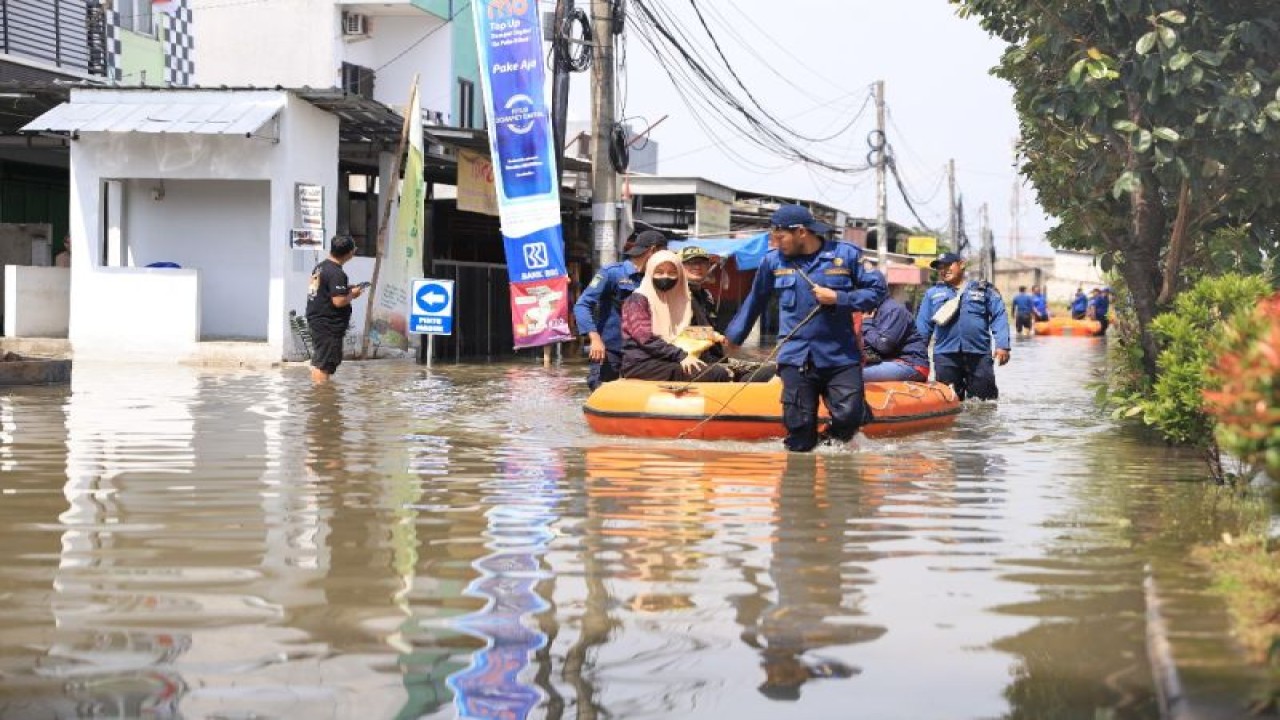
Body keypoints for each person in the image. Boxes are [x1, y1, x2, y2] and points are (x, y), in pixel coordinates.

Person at [724, 204, 887, 451]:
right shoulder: (772, 261)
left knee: (850, 416)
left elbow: (877, 291)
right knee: (798, 427)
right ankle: (799, 479)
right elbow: (755, 299)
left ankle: (830, 451)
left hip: (840, 355)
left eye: (781, 237)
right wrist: (734, 336)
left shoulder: (846, 255)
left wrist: (839, 298)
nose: (777, 243)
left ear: (801, 232)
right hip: (796, 356)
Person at [620, 250, 733, 382]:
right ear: (650, 273)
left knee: (736, 371)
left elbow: (680, 332)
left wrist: (713, 335)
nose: (666, 277)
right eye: (659, 272)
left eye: (672, 273)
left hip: (669, 358)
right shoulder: (637, 300)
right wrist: (681, 356)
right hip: (643, 362)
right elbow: (645, 338)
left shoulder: (678, 299)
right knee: (715, 374)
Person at [573, 230, 666, 390]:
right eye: (663, 252)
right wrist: (594, 339)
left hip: (644, 353)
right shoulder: (612, 273)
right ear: (653, 251)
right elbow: (582, 305)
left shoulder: (658, 278)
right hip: (610, 350)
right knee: (602, 394)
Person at [915, 251, 1011, 401]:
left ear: (962, 264)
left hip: (979, 355)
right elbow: (923, 326)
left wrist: (1002, 345)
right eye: (940, 267)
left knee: (985, 404)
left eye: (948, 265)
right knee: (947, 401)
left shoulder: (984, 290)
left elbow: (999, 316)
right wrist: (917, 356)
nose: (943, 270)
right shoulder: (932, 294)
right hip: (946, 356)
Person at [305, 235, 365, 383]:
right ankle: (322, 398)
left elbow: (319, 290)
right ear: (349, 253)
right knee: (324, 363)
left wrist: (346, 289)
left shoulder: (320, 267)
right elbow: (338, 301)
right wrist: (353, 294)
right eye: (354, 249)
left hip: (318, 321)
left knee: (322, 360)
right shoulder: (337, 273)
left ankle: (320, 394)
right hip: (327, 324)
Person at [860, 295, 929, 382]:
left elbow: (884, 346)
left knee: (850, 375)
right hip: (887, 361)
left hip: (910, 364)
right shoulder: (867, 310)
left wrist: (866, 324)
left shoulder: (893, 310)